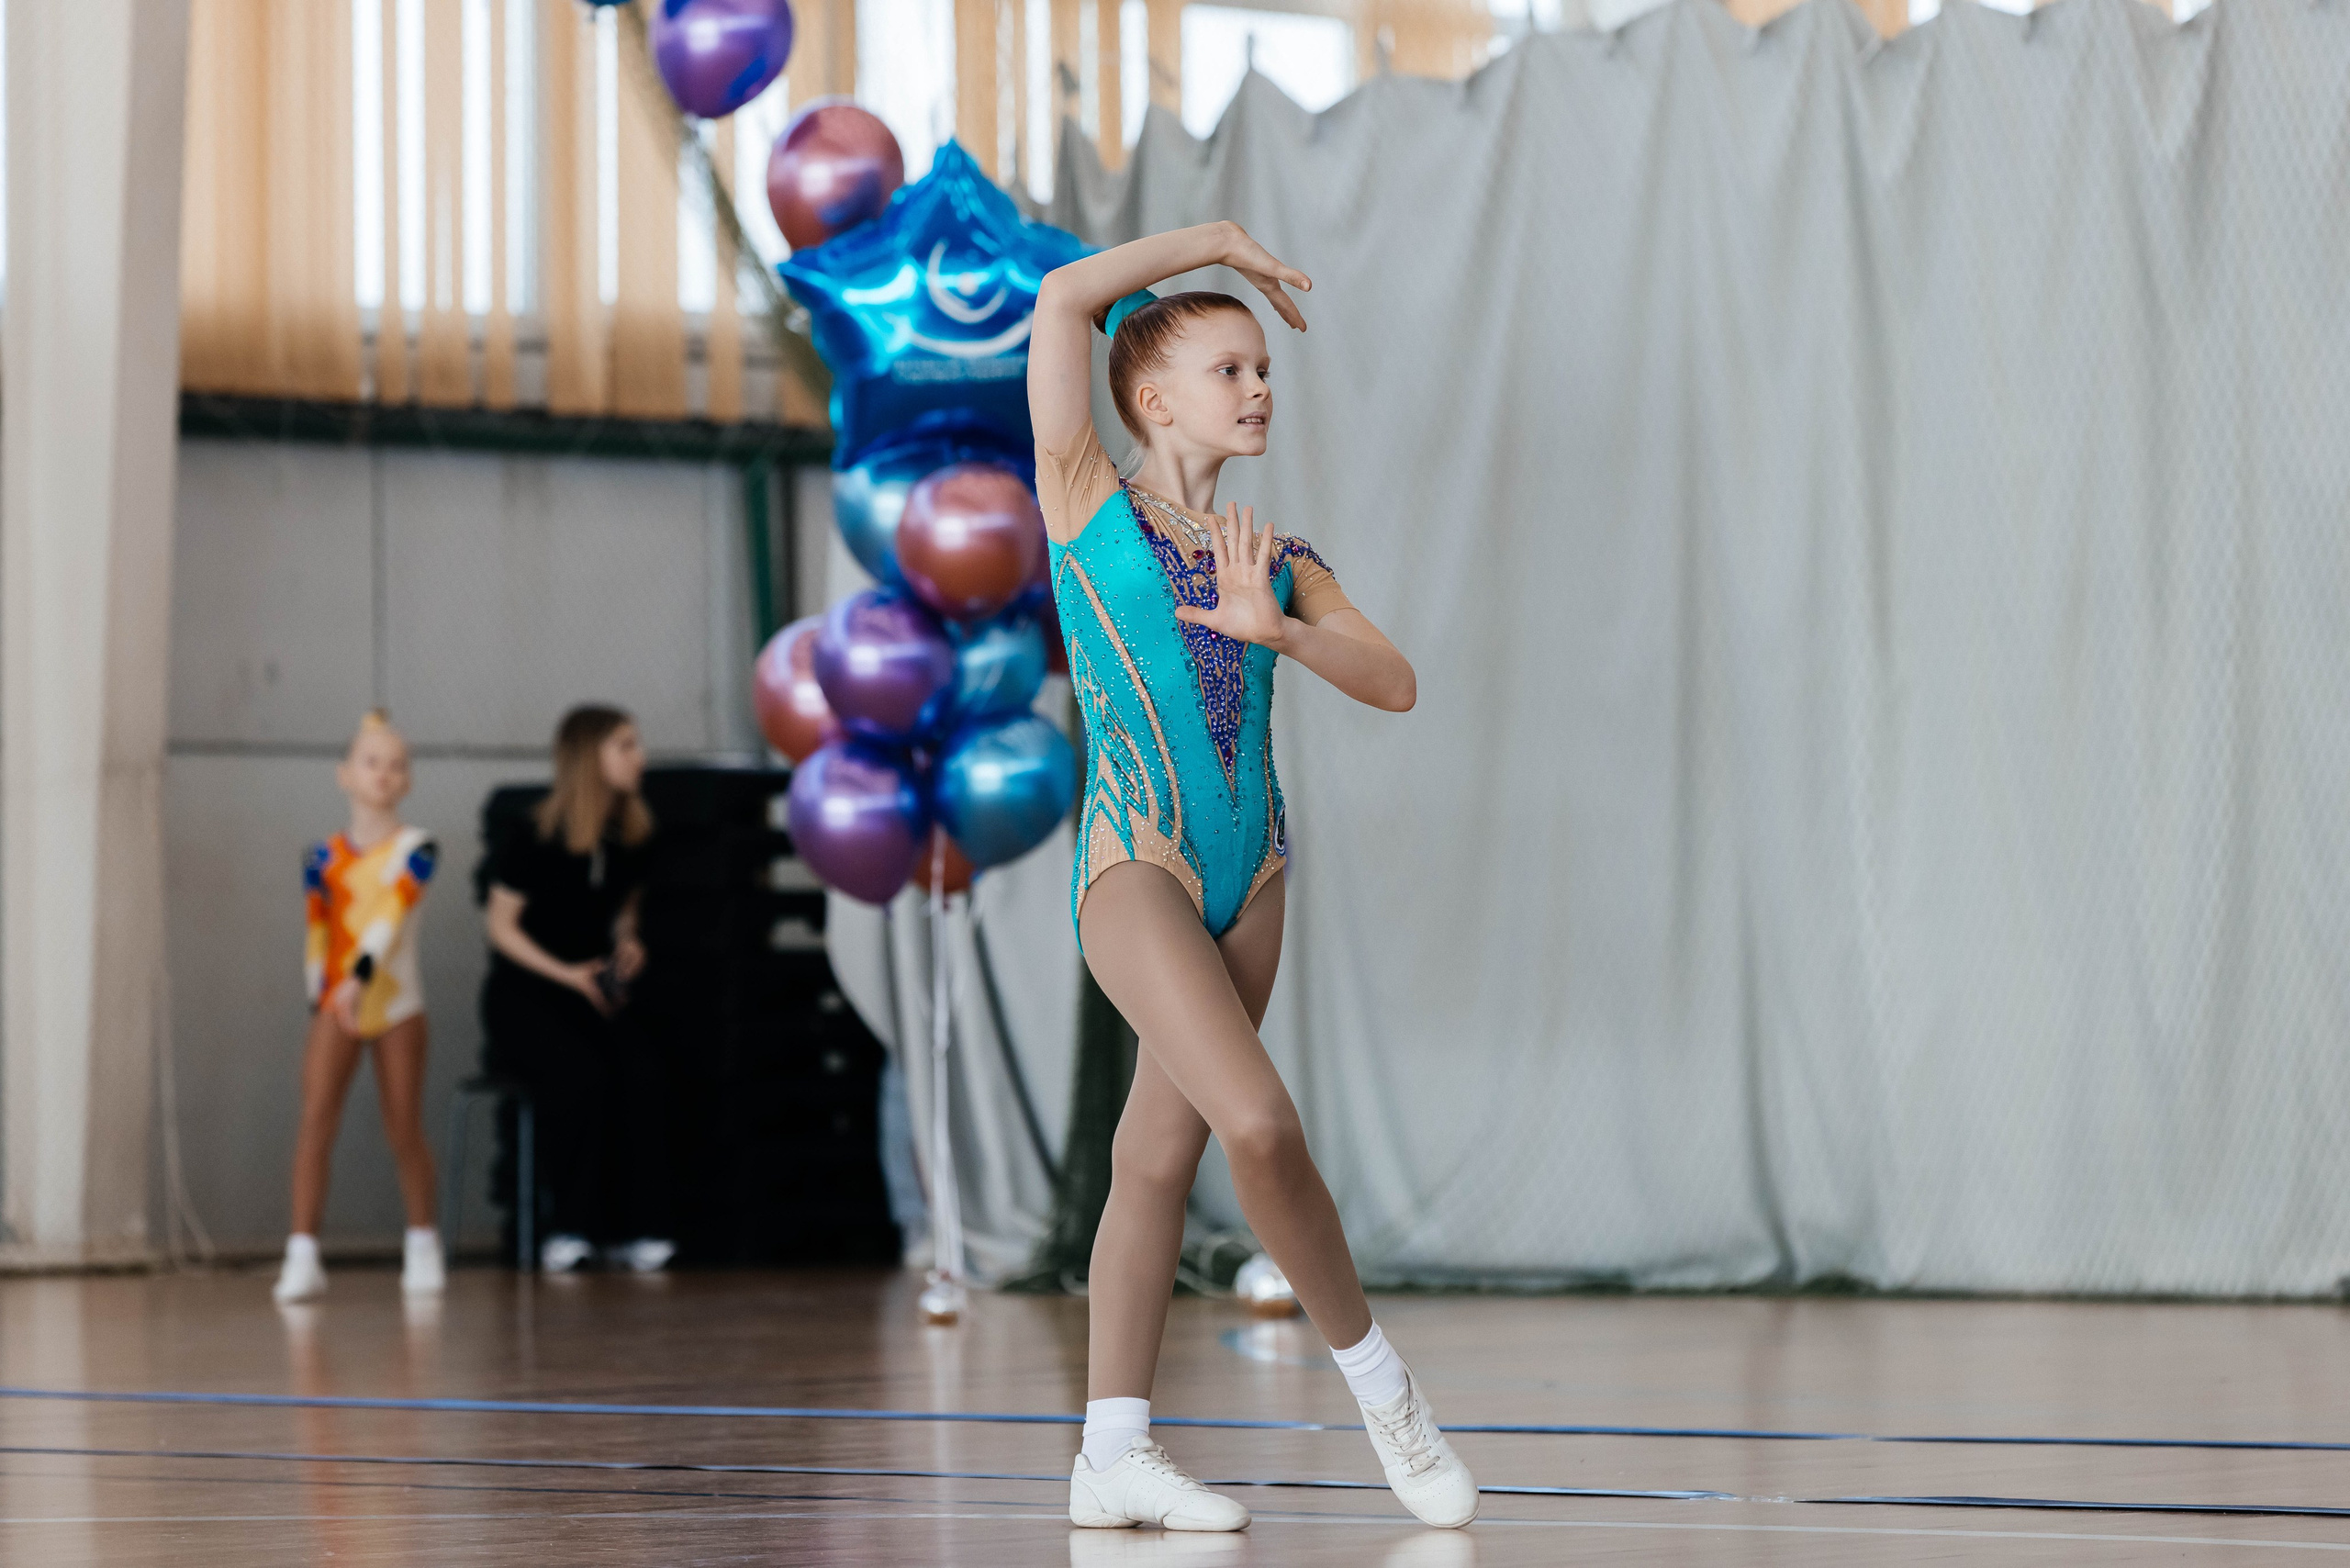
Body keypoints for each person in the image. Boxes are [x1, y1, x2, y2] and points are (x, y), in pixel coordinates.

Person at [1029, 225, 1477, 1531]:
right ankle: (1386, 1392)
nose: (1259, 388)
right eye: (1230, 369)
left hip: (1256, 871)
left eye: (1265, 371)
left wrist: (1279, 628)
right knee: (1262, 1128)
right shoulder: (1084, 500)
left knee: (1153, 1158)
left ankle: (1111, 1454)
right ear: (1153, 398)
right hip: (1137, 862)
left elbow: (1394, 680)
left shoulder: (1277, 557)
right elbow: (1061, 298)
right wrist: (1216, 244)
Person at [480, 705, 675, 1274]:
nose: (639, 757)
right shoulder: (534, 835)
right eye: (625, 746)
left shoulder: (632, 837)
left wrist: (628, 942)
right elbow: (500, 927)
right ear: (591, 757)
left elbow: (625, 909)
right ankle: (570, 1227)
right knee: (578, 1076)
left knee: (643, 1072)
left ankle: (635, 1228)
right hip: (528, 995)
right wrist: (567, 974)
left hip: (592, 993)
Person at [274, 711, 443, 1304]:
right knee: (315, 1121)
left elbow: (391, 917)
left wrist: (359, 978)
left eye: (397, 765)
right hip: (336, 1003)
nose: (384, 774)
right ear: (344, 773)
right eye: (372, 763)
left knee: (404, 1124)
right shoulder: (320, 856)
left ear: (408, 780)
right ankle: (302, 1253)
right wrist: (320, 996)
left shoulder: (417, 849)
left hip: (395, 1001)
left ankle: (422, 1242)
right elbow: (317, 931)